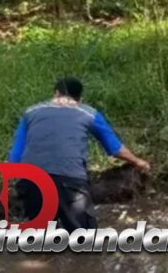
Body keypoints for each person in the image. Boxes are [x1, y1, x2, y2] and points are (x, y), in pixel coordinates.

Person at [8, 77, 150, 231]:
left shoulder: (30, 112)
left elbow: (15, 155)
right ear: (80, 98)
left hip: (32, 180)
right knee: (84, 236)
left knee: (40, 235)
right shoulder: (88, 113)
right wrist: (138, 162)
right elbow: (115, 148)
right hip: (69, 179)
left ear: (56, 93)